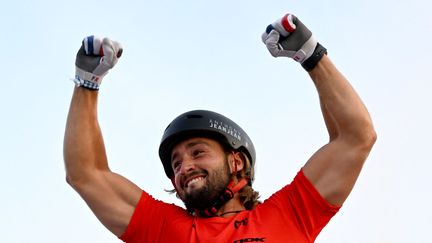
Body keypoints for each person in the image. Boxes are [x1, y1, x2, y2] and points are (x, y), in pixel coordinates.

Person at [64, 13, 376, 242]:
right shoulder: (163, 229)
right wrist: (87, 83)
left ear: (237, 162)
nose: (184, 167)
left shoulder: (291, 212)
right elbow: (86, 174)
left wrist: (312, 56)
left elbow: (356, 136)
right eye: (176, 163)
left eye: (197, 152)